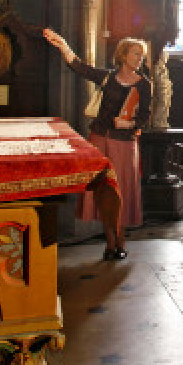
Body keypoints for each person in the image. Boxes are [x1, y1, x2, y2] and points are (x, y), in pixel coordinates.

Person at [43, 29, 151, 260]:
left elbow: (145, 116)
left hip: (124, 143)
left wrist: (129, 125)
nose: (139, 59)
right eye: (135, 54)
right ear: (122, 55)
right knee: (103, 191)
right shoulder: (107, 77)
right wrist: (63, 45)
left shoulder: (144, 85)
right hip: (100, 139)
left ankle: (120, 242)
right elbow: (78, 66)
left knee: (120, 191)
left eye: (141, 56)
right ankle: (110, 243)